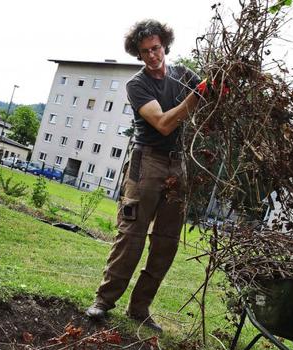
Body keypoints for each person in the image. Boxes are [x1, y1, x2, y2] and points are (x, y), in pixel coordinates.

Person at [86, 19, 217, 332]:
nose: (152, 55)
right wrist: (199, 95)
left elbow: (209, 100)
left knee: (167, 242)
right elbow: (163, 123)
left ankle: (139, 307)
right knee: (131, 235)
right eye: (145, 51)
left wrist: (218, 86)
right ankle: (103, 301)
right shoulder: (137, 85)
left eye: (156, 48)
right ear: (138, 54)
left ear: (164, 45)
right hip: (147, 163)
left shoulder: (184, 75)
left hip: (178, 164)